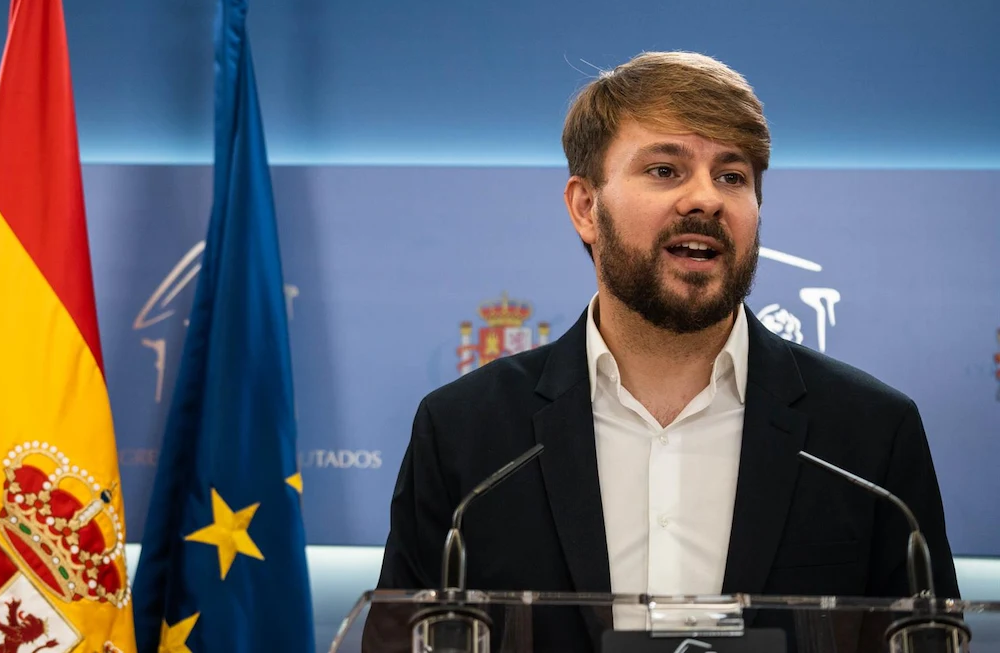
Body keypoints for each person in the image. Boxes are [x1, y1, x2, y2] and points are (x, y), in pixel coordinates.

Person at [372, 51, 958, 648]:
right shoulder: (466, 435)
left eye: (733, 177)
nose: (705, 199)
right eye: (665, 170)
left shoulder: (869, 434)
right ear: (585, 208)